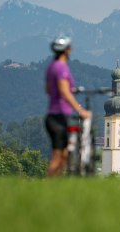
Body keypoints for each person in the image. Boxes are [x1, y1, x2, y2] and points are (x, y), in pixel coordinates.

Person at [44, 35, 90, 177]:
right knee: (58, 157)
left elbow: (48, 89)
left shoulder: (51, 67)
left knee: (63, 155)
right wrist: (80, 110)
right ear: (67, 50)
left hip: (53, 116)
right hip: (58, 117)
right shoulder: (61, 67)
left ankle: (55, 186)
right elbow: (64, 92)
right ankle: (47, 186)